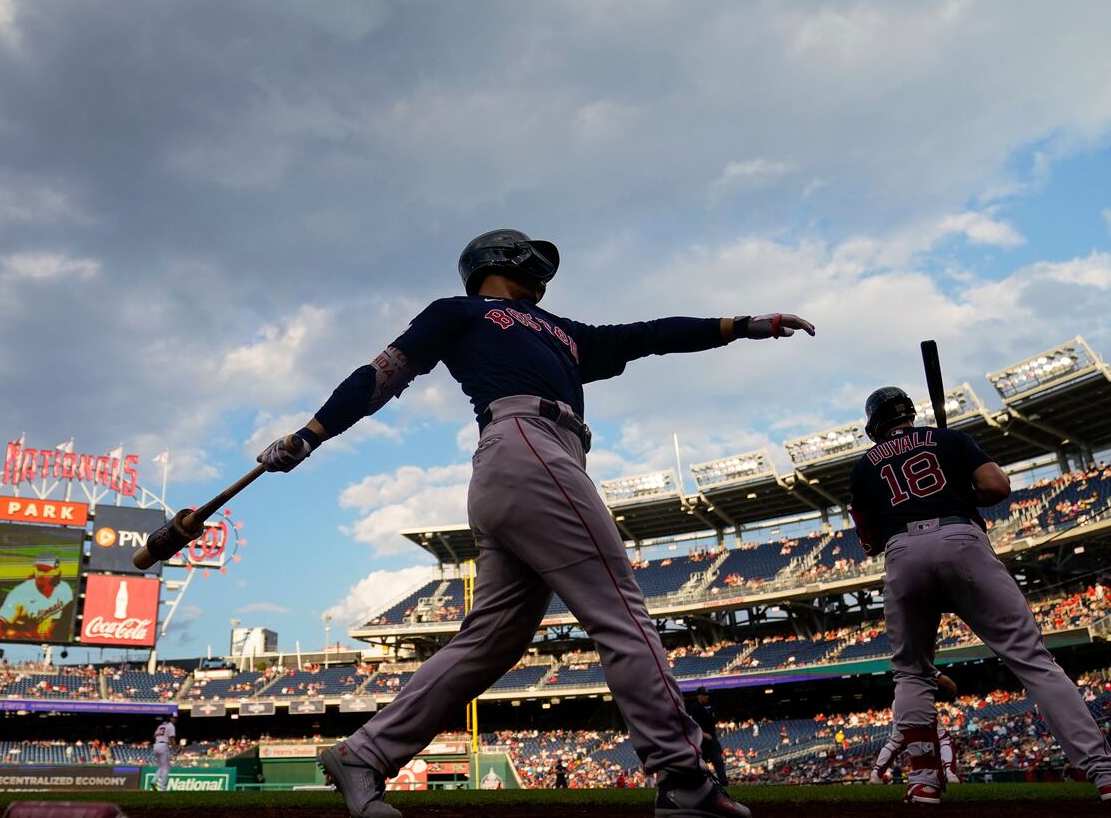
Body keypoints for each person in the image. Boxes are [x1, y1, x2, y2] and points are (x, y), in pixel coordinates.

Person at [258, 228, 815, 818]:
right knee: (621, 612)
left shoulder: (564, 332)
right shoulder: (461, 311)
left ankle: (366, 753)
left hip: (530, 461)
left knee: (491, 641)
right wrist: (310, 435)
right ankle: (683, 778)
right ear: (498, 258)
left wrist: (746, 325)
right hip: (526, 442)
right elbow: (379, 375)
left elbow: (655, 335)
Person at [849, 386, 1111, 805]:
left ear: (874, 425)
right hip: (961, 537)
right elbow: (997, 485)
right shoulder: (949, 439)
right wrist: (956, 491)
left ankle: (924, 782)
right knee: (1033, 659)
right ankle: (1104, 772)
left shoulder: (864, 466)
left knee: (912, 672)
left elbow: (869, 541)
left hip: (902, 553)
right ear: (910, 414)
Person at [870, 672, 959, 785]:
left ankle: (875, 774)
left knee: (895, 742)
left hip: (898, 701)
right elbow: (944, 680)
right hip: (919, 698)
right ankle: (950, 773)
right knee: (944, 740)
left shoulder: (899, 660)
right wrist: (952, 687)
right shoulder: (919, 658)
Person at [0, 553, 74, 641]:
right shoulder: (20, 593)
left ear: (56, 571)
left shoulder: (64, 589)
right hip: (18, 641)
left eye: (45, 570)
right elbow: (0, 624)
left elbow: (65, 619)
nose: (40, 574)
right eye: (38, 569)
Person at [683, 686, 728, 786]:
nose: (706, 697)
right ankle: (700, 784)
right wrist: (702, 733)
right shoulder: (694, 709)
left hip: (712, 740)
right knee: (701, 764)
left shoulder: (710, 707)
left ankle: (724, 783)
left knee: (718, 761)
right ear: (698, 696)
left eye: (707, 695)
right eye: (704, 695)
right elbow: (690, 725)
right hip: (700, 741)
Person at [152, 713, 176, 792]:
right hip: (163, 746)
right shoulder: (171, 726)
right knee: (166, 768)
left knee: (161, 767)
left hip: (156, 746)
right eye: (174, 718)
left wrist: (163, 737)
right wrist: (174, 749)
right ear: (170, 718)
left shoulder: (160, 726)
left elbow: (154, 736)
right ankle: (163, 789)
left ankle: (154, 781)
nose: (175, 719)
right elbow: (172, 739)